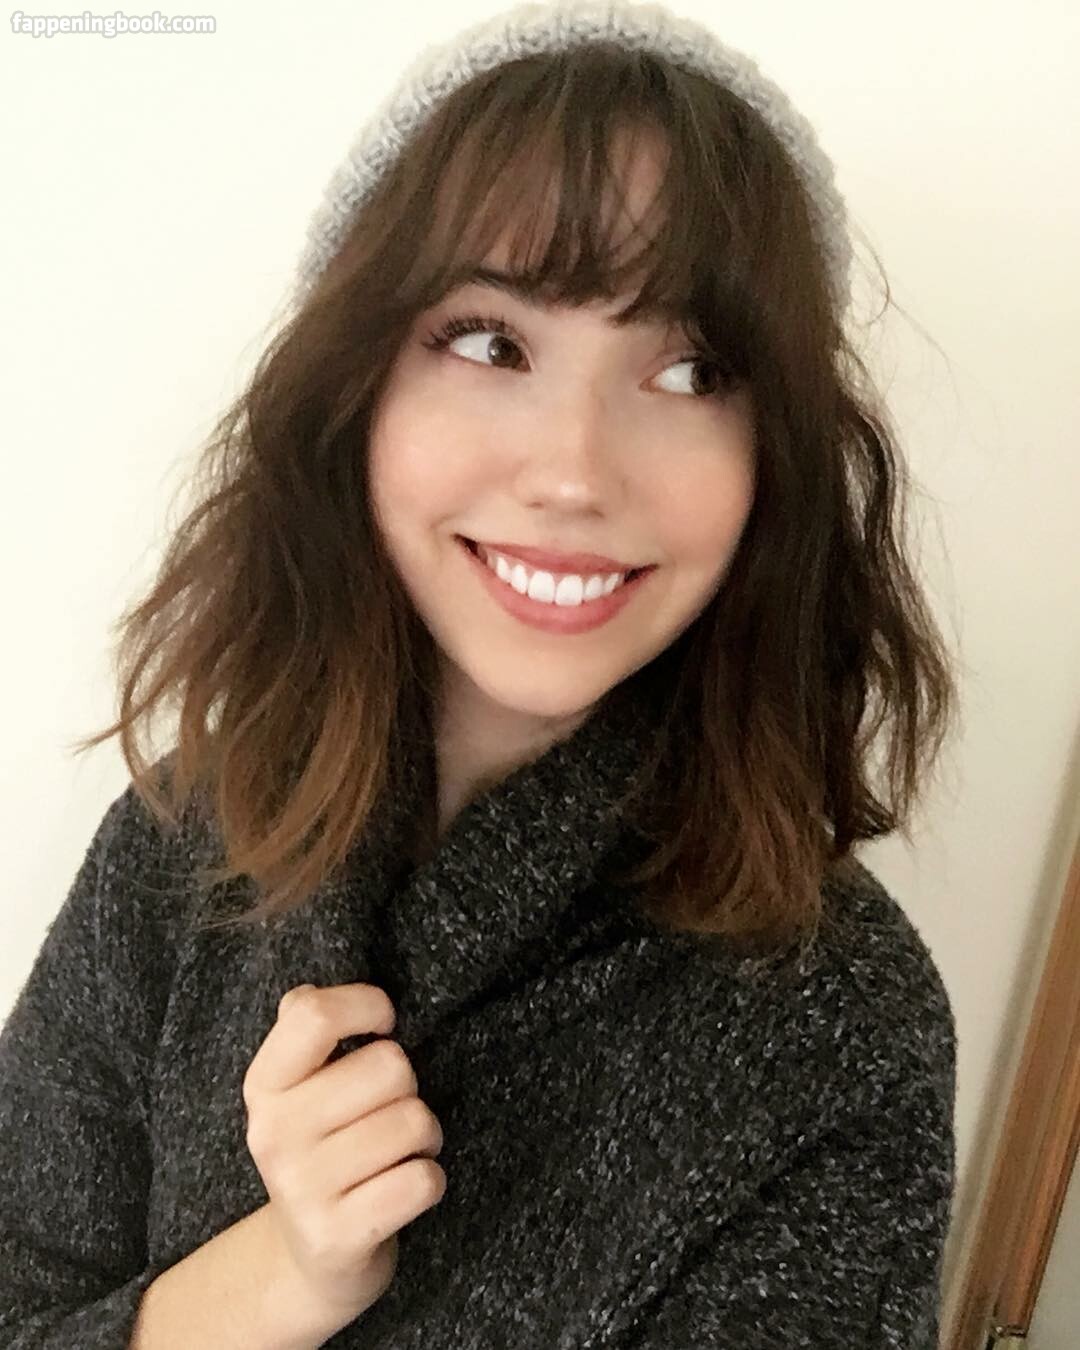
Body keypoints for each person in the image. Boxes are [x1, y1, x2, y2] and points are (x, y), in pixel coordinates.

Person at [0, 2, 960, 1346]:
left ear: (777, 455)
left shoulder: (840, 1023)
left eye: (692, 369)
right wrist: (280, 1279)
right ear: (356, 388)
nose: (573, 470)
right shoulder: (185, 837)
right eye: (492, 342)